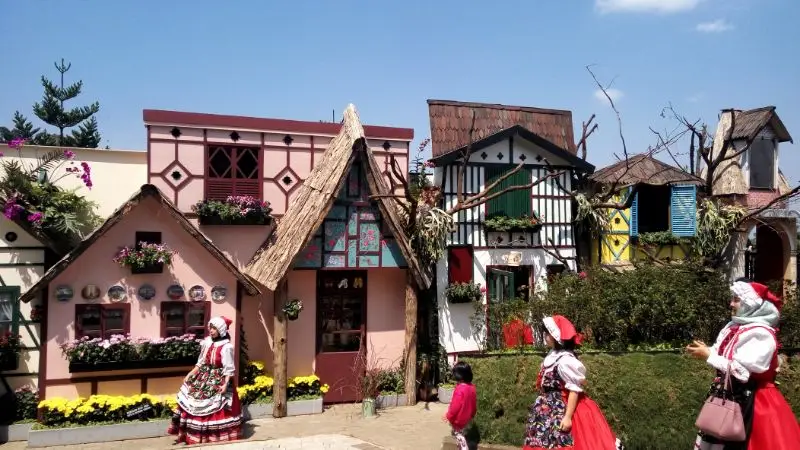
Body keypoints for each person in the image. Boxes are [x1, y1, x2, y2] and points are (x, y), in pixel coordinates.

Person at [687, 280, 800, 449]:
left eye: (736, 299)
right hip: (728, 395)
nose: (731, 303)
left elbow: (742, 372)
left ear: (751, 304)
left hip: (755, 402)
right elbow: (720, 352)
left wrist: (709, 355)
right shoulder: (734, 326)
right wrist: (706, 350)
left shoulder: (760, 333)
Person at [523, 315, 622, 450]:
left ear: (556, 336)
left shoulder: (566, 360)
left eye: (548, 333)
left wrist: (568, 417)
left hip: (562, 409)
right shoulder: (552, 355)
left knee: (563, 442)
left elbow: (574, 389)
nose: (545, 336)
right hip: (546, 411)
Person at [168, 316, 243, 444]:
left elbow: (228, 369)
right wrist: (190, 374)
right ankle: (190, 434)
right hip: (203, 376)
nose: (211, 330)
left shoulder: (226, 347)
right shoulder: (207, 342)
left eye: (214, 328)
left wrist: (225, 384)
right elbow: (201, 362)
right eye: (210, 328)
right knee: (191, 399)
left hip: (218, 378)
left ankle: (212, 436)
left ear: (221, 330)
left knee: (214, 404)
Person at [443, 361, 478, 450]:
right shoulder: (471, 387)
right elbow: (474, 403)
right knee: (462, 435)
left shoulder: (460, 389)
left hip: (458, 420)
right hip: (467, 418)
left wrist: (448, 416)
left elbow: (455, 406)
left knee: (459, 436)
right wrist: (472, 414)